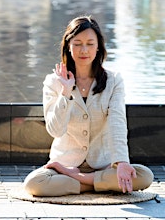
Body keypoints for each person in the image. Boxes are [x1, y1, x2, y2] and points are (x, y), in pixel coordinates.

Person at [23, 16, 154, 197]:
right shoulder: (53, 81)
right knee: (34, 184)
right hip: (64, 164)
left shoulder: (113, 80)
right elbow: (55, 130)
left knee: (145, 176)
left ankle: (81, 181)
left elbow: (117, 121)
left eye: (90, 43)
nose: (84, 50)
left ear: (98, 46)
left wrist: (122, 162)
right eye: (77, 43)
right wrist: (65, 93)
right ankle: (99, 183)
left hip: (103, 164)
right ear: (68, 46)